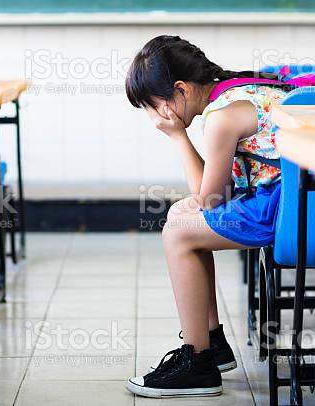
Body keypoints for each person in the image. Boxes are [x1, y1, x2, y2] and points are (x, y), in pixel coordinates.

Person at [125, 35, 285, 398]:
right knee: (184, 220)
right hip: (306, 199)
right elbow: (212, 195)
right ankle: (211, 345)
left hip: (285, 206)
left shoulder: (221, 118)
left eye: (153, 105)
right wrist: (193, 204)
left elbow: (210, 200)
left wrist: (178, 137)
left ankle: (198, 363)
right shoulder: (240, 90)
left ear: (179, 90)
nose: (153, 117)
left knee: (178, 232)